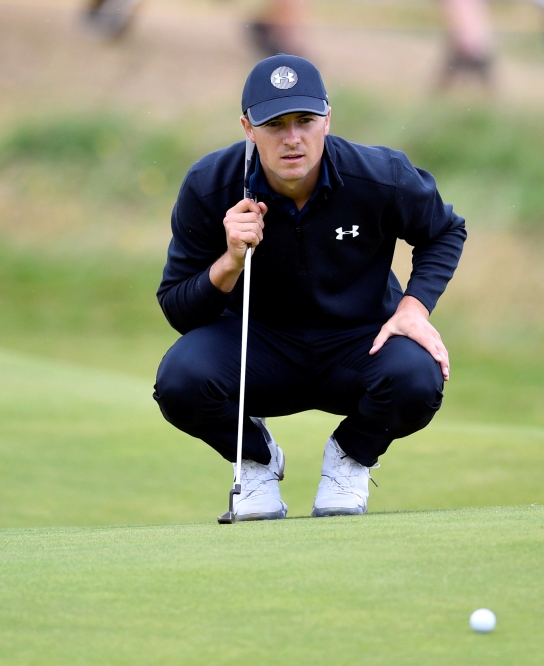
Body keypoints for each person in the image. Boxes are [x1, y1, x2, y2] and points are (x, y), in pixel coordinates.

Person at [153, 55, 466, 521]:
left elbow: (444, 231)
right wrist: (230, 261)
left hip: (360, 342)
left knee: (418, 378)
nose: (292, 138)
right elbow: (179, 311)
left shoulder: (379, 175)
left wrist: (414, 309)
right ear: (247, 128)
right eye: (275, 124)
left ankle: (350, 456)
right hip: (258, 348)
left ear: (327, 119)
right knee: (180, 381)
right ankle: (257, 459)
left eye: (305, 120)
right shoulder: (209, 186)